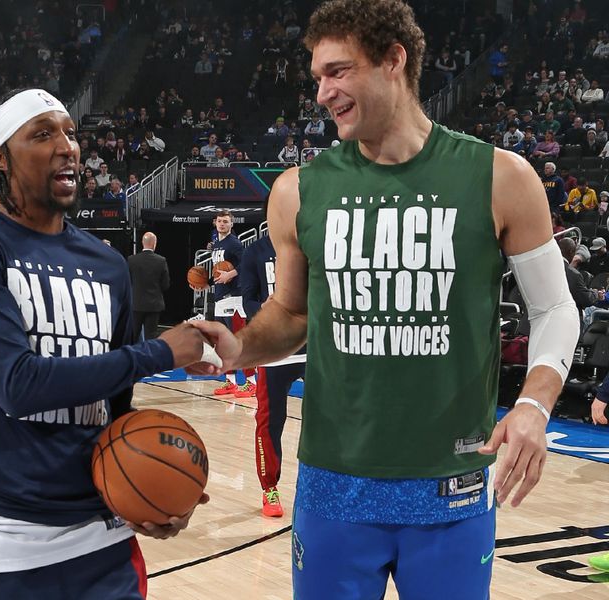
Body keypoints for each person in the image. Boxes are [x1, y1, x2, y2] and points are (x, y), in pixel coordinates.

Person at [190, 2, 580, 598]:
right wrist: (237, 346)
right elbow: (293, 315)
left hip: (452, 485)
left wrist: (534, 403)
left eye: (338, 72)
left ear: (394, 60)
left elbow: (555, 309)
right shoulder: (298, 191)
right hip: (333, 483)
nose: (322, 93)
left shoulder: (501, 177)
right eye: (317, 76)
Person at [0, 88, 210, 600]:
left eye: (71, 133)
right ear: (0, 160)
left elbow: (116, 405)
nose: (68, 146)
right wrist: (164, 351)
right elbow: (17, 384)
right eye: (42, 134)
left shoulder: (107, 264)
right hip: (0, 539)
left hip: (102, 534)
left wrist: (157, 493)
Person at [238, 205, 305, 518]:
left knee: (332, 416)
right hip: (274, 351)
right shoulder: (254, 251)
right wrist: (261, 310)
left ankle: (320, 481)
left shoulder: (311, 243)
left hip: (310, 345)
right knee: (269, 420)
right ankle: (269, 487)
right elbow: (247, 299)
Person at [190, 210, 255, 398]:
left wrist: (231, 274)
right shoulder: (217, 244)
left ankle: (252, 383)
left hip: (234, 297)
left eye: (226, 222)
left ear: (231, 224)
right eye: (219, 221)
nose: (222, 224)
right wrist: (206, 284)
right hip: (220, 297)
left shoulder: (234, 243)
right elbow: (219, 271)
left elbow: (246, 264)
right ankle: (231, 383)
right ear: (214, 223)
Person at [126, 232, 170, 341]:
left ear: (142, 243)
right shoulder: (161, 260)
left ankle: (131, 357)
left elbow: (126, 281)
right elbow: (166, 285)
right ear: (154, 243)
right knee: (150, 337)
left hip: (136, 304)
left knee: (133, 336)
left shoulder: (131, 260)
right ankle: (148, 358)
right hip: (154, 305)